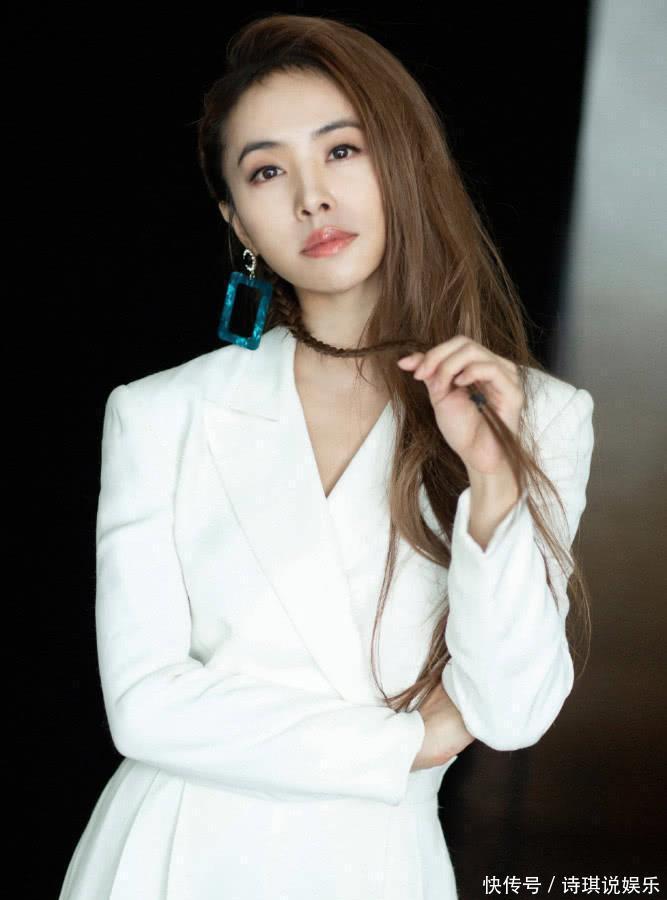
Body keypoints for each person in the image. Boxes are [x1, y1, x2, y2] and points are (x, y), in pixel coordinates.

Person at [59, 13, 595, 900]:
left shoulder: (533, 416)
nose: (311, 197)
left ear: (403, 164)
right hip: (172, 854)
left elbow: (509, 712)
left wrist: (493, 482)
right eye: (267, 171)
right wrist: (408, 744)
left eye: (341, 151)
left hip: (376, 865)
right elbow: (145, 707)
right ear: (237, 219)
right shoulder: (161, 413)